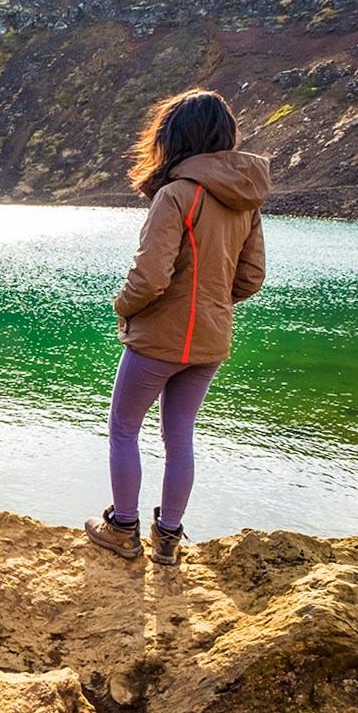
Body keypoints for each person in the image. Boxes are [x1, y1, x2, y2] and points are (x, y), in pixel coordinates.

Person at [85, 88, 270, 566]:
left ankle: (122, 528)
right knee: (180, 433)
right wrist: (209, 305)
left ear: (174, 137)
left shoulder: (176, 194)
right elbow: (251, 277)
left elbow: (150, 277)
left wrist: (123, 306)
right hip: (210, 339)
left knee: (124, 428)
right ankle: (168, 539)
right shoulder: (245, 199)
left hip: (158, 339)